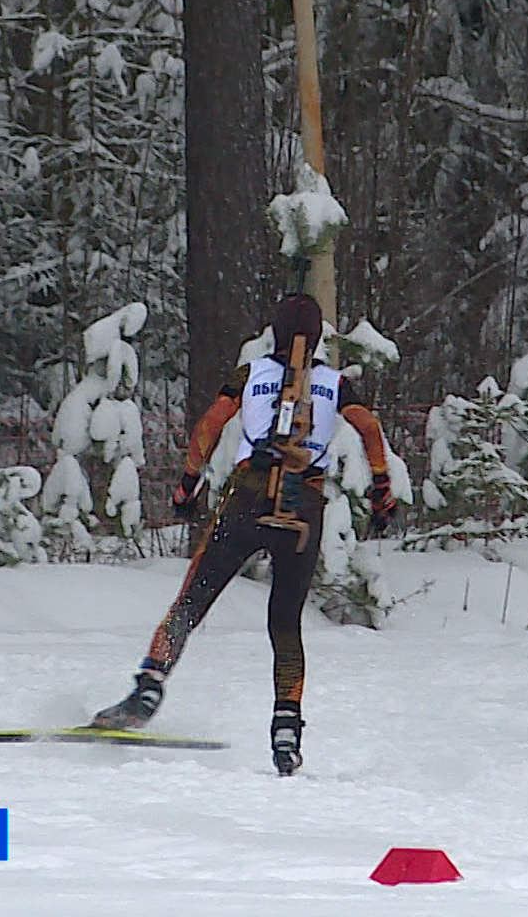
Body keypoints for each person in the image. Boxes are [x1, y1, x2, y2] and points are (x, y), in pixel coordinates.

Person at [90, 293, 398, 776]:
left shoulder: (251, 375)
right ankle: (286, 731)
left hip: (246, 498)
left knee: (190, 603)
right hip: (303, 509)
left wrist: (187, 484)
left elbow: (212, 423)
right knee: (285, 625)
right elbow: (369, 428)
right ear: (318, 338)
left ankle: (147, 688)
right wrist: (382, 490)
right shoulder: (334, 384)